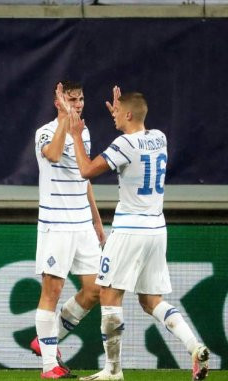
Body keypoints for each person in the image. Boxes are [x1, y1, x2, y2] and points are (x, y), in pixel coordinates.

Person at [66, 87, 210, 381]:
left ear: (129, 114)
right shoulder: (160, 137)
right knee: (150, 301)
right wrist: (122, 115)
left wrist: (77, 135)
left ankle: (113, 370)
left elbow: (86, 170)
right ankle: (195, 347)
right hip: (157, 229)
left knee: (108, 294)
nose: (113, 114)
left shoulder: (124, 144)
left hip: (130, 229)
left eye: (118, 112)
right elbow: (134, 134)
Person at [31, 81, 106, 379]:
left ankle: (47, 340)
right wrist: (65, 121)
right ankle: (49, 366)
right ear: (58, 101)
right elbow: (53, 154)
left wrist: (96, 220)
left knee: (96, 289)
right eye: (70, 99)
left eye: (80, 99)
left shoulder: (84, 131)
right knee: (52, 290)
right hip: (56, 224)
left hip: (82, 224)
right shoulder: (46, 132)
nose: (76, 104)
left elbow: (84, 176)